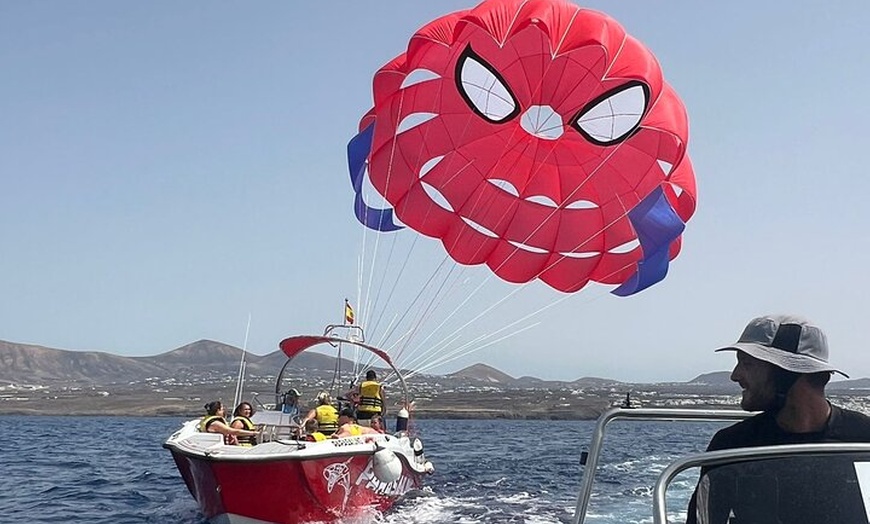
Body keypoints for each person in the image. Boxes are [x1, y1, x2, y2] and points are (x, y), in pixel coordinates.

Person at [686, 314, 870, 524]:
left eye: (747, 363)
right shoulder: (730, 445)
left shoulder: (863, 437)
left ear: (789, 372)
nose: (735, 375)